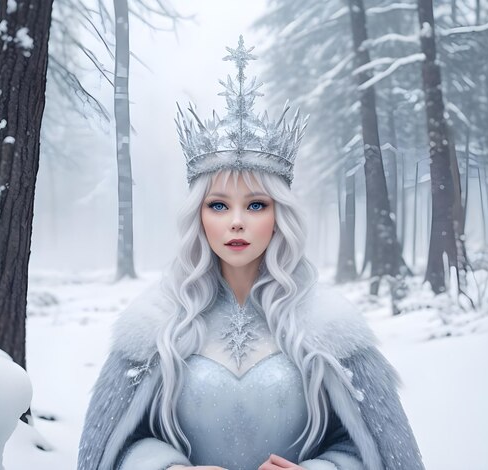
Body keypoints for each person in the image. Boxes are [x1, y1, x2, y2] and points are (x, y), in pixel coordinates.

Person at [77, 36, 424, 470]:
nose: (236, 221)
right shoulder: (154, 327)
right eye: (219, 205)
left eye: (256, 204)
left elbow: (380, 452)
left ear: (280, 215)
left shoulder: (330, 327)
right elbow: (112, 449)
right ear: (198, 216)